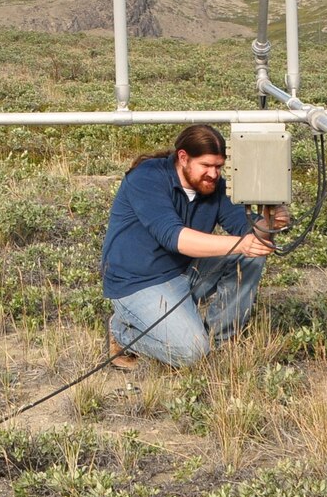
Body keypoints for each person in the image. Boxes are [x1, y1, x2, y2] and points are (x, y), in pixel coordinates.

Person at [101, 123, 289, 369]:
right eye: (207, 166)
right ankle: (123, 332)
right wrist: (243, 244)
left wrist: (270, 219)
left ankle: (221, 342)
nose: (214, 174)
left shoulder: (213, 186)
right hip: (138, 283)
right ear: (183, 158)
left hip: (183, 272)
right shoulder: (146, 178)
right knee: (191, 354)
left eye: (219, 167)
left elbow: (250, 235)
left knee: (251, 257)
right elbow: (174, 237)